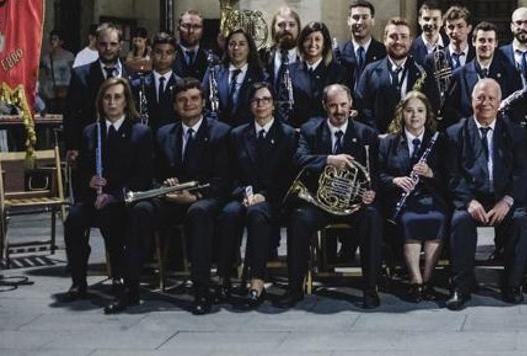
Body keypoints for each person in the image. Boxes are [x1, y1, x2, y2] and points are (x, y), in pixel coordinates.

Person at [106, 78, 233, 315]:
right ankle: (130, 287)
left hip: (203, 200)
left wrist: (193, 197)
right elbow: (151, 174)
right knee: (141, 210)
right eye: (182, 100)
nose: (189, 104)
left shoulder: (221, 132)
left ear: (203, 102)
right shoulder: (164, 133)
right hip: (170, 199)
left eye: (194, 99)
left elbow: (224, 180)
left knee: (199, 213)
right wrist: (165, 186)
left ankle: (201, 290)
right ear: (174, 106)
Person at [279, 84, 382, 309]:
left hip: (353, 204)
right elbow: (299, 159)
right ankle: (294, 288)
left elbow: (373, 173)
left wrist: (371, 192)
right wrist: (328, 159)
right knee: (298, 219)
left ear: (351, 105)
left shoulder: (366, 134)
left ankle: (370, 288)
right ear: (324, 106)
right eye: (333, 105)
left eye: (343, 105)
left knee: (372, 217)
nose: (339, 111)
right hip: (318, 202)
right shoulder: (310, 130)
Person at [60, 77, 153, 304]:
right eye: (107, 97)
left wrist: (114, 195)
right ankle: (78, 281)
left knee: (114, 219)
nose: (111, 102)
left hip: (122, 201)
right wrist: (88, 181)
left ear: (126, 102)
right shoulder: (90, 132)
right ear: (101, 101)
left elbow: (143, 177)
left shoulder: (140, 132)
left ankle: (120, 277)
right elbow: (80, 173)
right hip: (94, 199)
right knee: (73, 219)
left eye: (117, 97)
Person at [444, 78, 527, 310]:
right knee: (460, 220)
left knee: (520, 219)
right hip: (472, 198)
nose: (486, 103)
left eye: (491, 98)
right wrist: (468, 201)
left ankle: (512, 285)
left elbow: (522, 171)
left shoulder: (514, 132)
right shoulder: (455, 133)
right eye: (480, 97)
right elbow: (452, 175)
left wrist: (508, 200)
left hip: (504, 197)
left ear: (500, 102)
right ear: (471, 100)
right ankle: (460, 288)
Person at [221, 82, 298, 308]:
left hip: (275, 200)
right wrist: (244, 194)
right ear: (249, 105)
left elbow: (288, 177)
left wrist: (263, 196)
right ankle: (224, 277)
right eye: (256, 100)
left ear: (274, 104)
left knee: (257, 215)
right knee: (227, 214)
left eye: (266, 100)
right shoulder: (237, 135)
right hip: (244, 196)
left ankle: (257, 281)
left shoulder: (288, 135)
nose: (261, 104)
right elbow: (230, 175)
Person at [380, 91, 450, 302]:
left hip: (431, 198)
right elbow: (378, 175)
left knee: (437, 219)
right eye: (409, 111)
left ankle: (427, 280)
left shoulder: (439, 141)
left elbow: (449, 177)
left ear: (427, 114)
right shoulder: (389, 142)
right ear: (402, 114)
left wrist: (430, 173)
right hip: (401, 200)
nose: (414, 116)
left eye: (420, 111)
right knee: (410, 221)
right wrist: (395, 181)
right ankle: (415, 281)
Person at [64, 23, 128, 166]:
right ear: (96, 45)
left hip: (125, 147)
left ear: (120, 45)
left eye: (113, 44)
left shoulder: (132, 76)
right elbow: (71, 113)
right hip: (90, 146)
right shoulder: (80, 75)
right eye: (103, 44)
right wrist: (72, 146)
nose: (108, 49)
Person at [356, 17, 434, 133]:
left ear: (410, 40)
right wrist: (376, 135)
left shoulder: (424, 72)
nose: (398, 41)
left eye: (403, 37)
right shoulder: (370, 71)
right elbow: (362, 107)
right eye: (393, 36)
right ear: (384, 39)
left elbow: (432, 106)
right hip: (379, 140)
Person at [447, 21, 519, 121]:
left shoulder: (510, 73)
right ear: (473, 42)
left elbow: (516, 108)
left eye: (490, 40)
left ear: (496, 43)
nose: (486, 44)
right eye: (481, 40)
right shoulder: (459, 75)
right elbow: (451, 111)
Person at [285, 21, 347, 128]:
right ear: (302, 43)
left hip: (327, 132)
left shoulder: (337, 72)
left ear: (324, 45)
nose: (313, 44)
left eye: (317, 39)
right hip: (297, 131)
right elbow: (283, 105)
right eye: (308, 39)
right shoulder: (290, 71)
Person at [205, 28, 265, 127]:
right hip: (218, 132)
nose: (236, 48)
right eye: (232, 44)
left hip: (248, 133)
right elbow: (203, 103)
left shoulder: (260, 75)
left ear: (249, 48)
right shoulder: (213, 72)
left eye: (242, 44)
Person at [334, 0, 387, 86]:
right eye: (355, 17)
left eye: (365, 17)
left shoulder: (383, 52)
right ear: (348, 21)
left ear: (372, 21)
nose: (360, 22)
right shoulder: (338, 53)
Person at [265, 6, 301, 120]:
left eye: (292, 25)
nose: (286, 29)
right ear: (273, 28)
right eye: (281, 25)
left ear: (299, 29)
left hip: (298, 121)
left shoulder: (307, 57)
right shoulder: (262, 56)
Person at [39, 30, 75, 115]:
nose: (52, 42)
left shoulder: (69, 56)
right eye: (51, 39)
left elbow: (74, 73)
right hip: (49, 91)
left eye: (55, 39)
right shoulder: (46, 58)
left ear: (61, 42)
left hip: (64, 89)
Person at [172, 10, 214, 81]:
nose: (191, 31)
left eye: (196, 26)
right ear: (178, 28)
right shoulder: (168, 57)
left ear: (202, 30)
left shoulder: (213, 61)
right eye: (186, 26)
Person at [410, 0, 446, 66]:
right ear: (419, 20)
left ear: (442, 21)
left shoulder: (450, 46)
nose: (430, 23)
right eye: (426, 19)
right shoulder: (410, 49)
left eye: (435, 19)